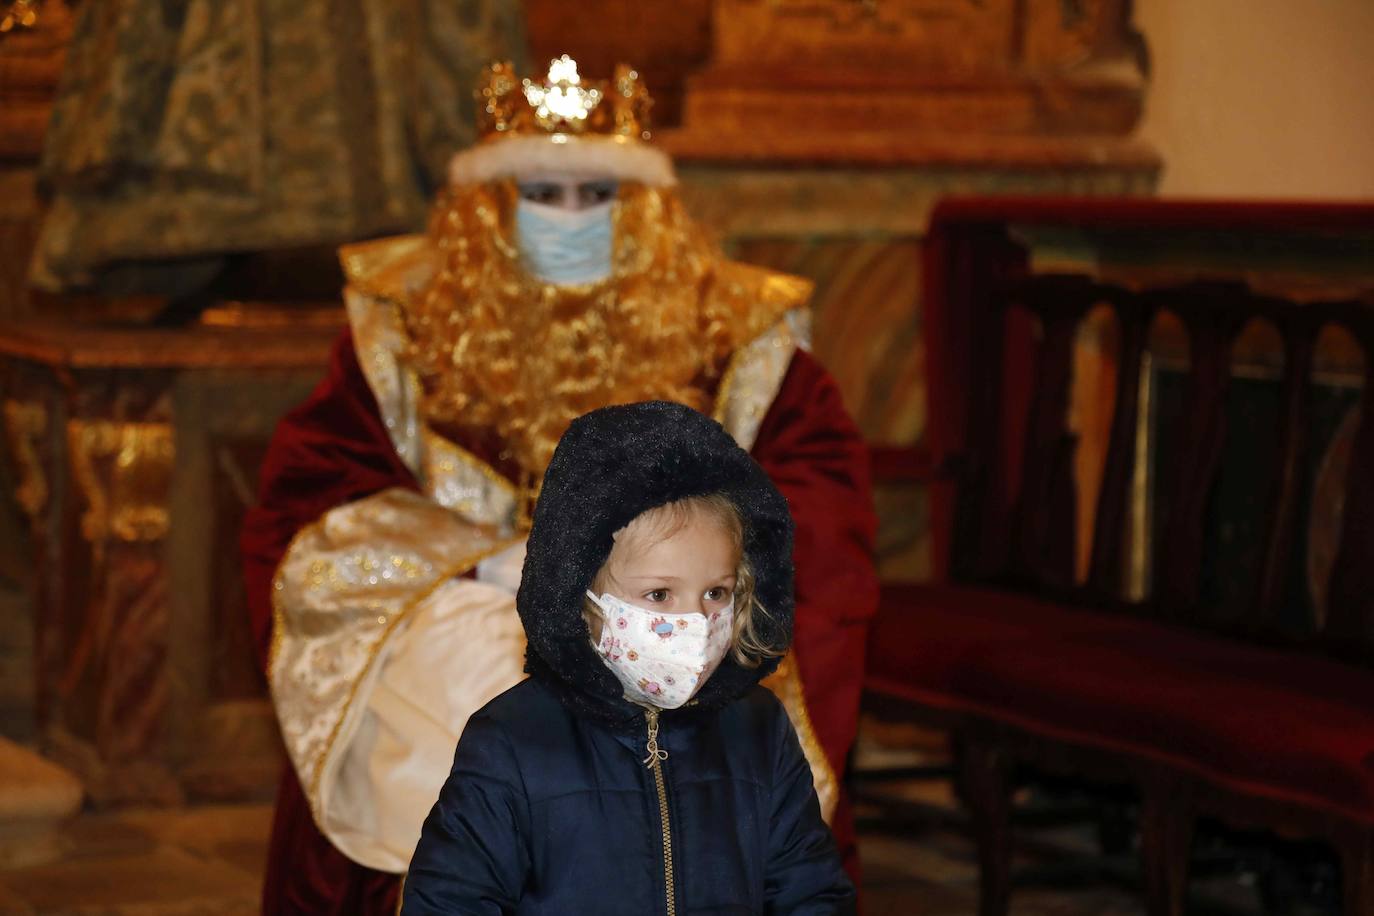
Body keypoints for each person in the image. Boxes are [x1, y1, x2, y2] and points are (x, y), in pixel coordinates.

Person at [241, 55, 877, 914]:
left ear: (645, 205)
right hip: (459, 613)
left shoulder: (739, 327)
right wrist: (468, 566)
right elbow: (313, 498)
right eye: (543, 192)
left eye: (597, 195)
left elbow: (820, 492)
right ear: (492, 206)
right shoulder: (403, 320)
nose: (571, 218)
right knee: (468, 682)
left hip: (679, 605)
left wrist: (713, 563)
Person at [404, 400, 855, 914]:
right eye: (660, 595)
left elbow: (811, 893)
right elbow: (450, 902)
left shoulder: (759, 730)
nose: (695, 623)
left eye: (716, 593)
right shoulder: (511, 740)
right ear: (579, 595)